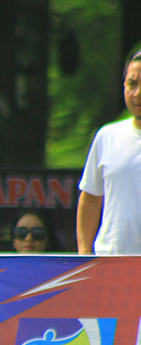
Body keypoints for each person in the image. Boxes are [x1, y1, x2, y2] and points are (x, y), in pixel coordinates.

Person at [76, 49, 141, 255]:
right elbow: (90, 198)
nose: (137, 93)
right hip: (112, 260)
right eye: (132, 84)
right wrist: (84, 253)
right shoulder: (107, 136)